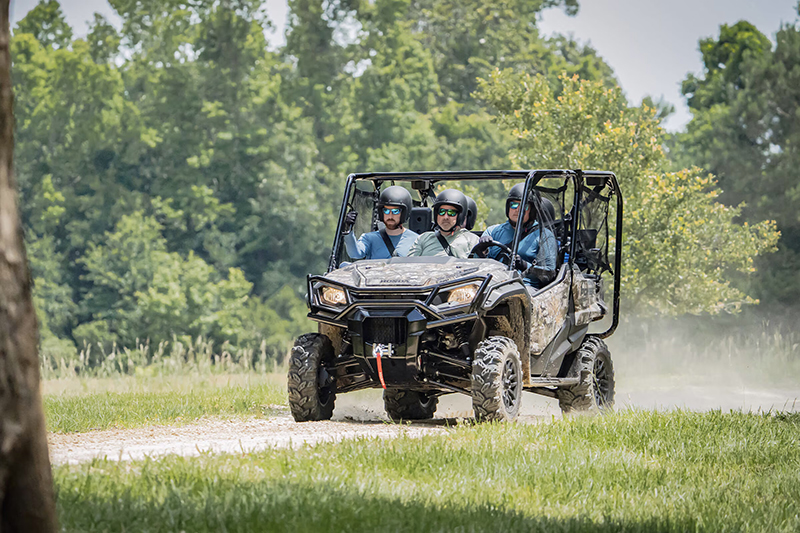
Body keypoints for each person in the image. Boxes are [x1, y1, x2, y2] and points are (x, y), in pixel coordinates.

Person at [479, 183, 558, 287]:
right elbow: (475, 264)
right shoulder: (492, 231)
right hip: (491, 286)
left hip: (526, 288)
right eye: (514, 205)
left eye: (524, 206)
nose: (517, 210)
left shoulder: (544, 236)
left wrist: (525, 265)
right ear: (508, 207)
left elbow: (549, 274)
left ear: (532, 210)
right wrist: (481, 251)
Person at [343, 186, 419, 259]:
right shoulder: (369, 238)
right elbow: (355, 254)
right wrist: (348, 229)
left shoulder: (417, 240)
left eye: (395, 211)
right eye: (386, 211)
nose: (390, 215)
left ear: (404, 213)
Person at [407, 189, 479, 258]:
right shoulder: (424, 238)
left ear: (460, 216)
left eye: (451, 212)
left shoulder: (472, 240)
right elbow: (409, 265)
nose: (446, 217)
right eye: (441, 212)